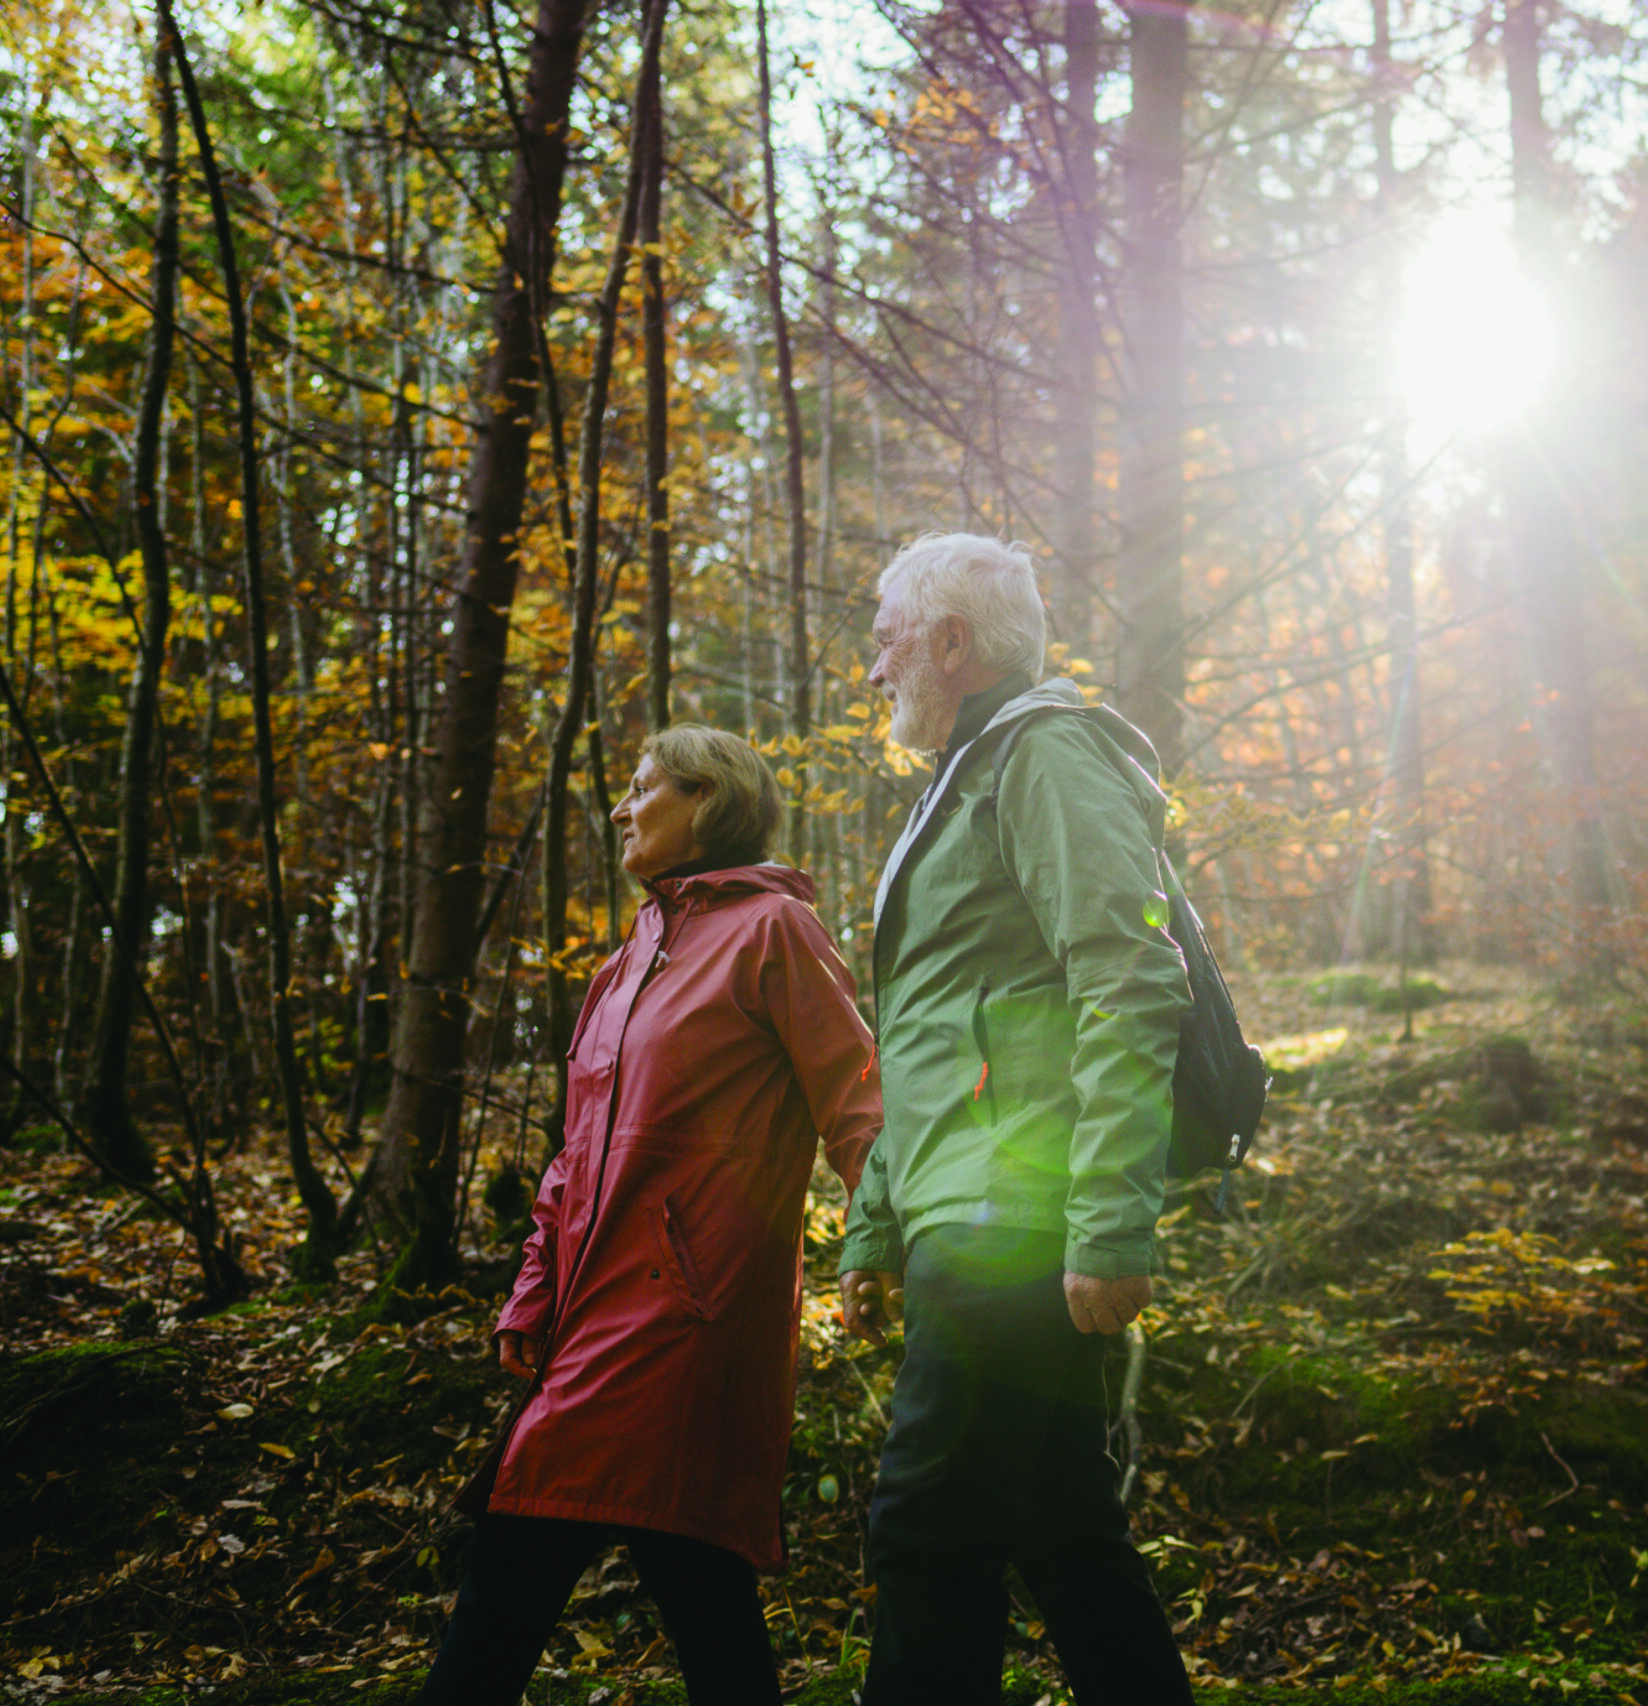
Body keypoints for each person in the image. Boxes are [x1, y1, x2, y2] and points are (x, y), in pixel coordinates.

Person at [419, 724, 883, 1706]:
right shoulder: (628, 955)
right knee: (690, 1570)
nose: (621, 807)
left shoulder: (773, 930)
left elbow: (859, 1101)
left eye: (644, 787)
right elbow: (575, 1153)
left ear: (708, 799)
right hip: (592, 1310)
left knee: (523, 1541)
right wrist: (530, 1296)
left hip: (689, 1314)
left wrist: (879, 1243)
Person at [839, 531, 1196, 1706]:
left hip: (1017, 1206)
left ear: (953, 641)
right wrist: (876, 1224)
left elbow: (1130, 978)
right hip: (967, 1200)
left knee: (928, 1528)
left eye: (889, 640)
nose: (876, 668)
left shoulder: (1041, 753)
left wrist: (1109, 1224)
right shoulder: (970, 772)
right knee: (1063, 1537)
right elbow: (934, 1025)